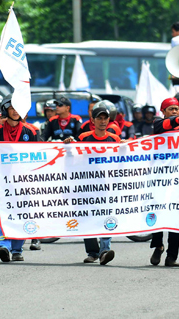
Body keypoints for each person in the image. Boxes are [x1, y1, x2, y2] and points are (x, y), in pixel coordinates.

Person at [0, 95, 40, 262]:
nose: (15, 111)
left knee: (21, 212)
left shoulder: (31, 131)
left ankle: (17, 248)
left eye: (17, 108)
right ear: (6, 110)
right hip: (4, 181)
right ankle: (4, 246)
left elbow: (41, 154)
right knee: (4, 212)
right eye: (12, 108)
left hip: (25, 181)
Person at [64, 105, 120, 265]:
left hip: (106, 186)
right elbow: (74, 158)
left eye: (105, 118)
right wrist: (68, 148)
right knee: (86, 216)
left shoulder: (114, 139)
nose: (102, 121)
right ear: (93, 120)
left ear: (109, 120)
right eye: (99, 118)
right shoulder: (83, 138)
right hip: (86, 184)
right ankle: (92, 252)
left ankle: (104, 250)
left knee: (106, 215)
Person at [150, 97, 179, 267]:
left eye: (177, 109)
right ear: (163, 112)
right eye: (171, 109)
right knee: (157, 212)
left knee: (176, 215)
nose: (175, 111)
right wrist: (177, 121)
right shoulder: (158, 123)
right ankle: (158, 245)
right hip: (159, 177)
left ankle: (172, 256)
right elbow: (164, 126)